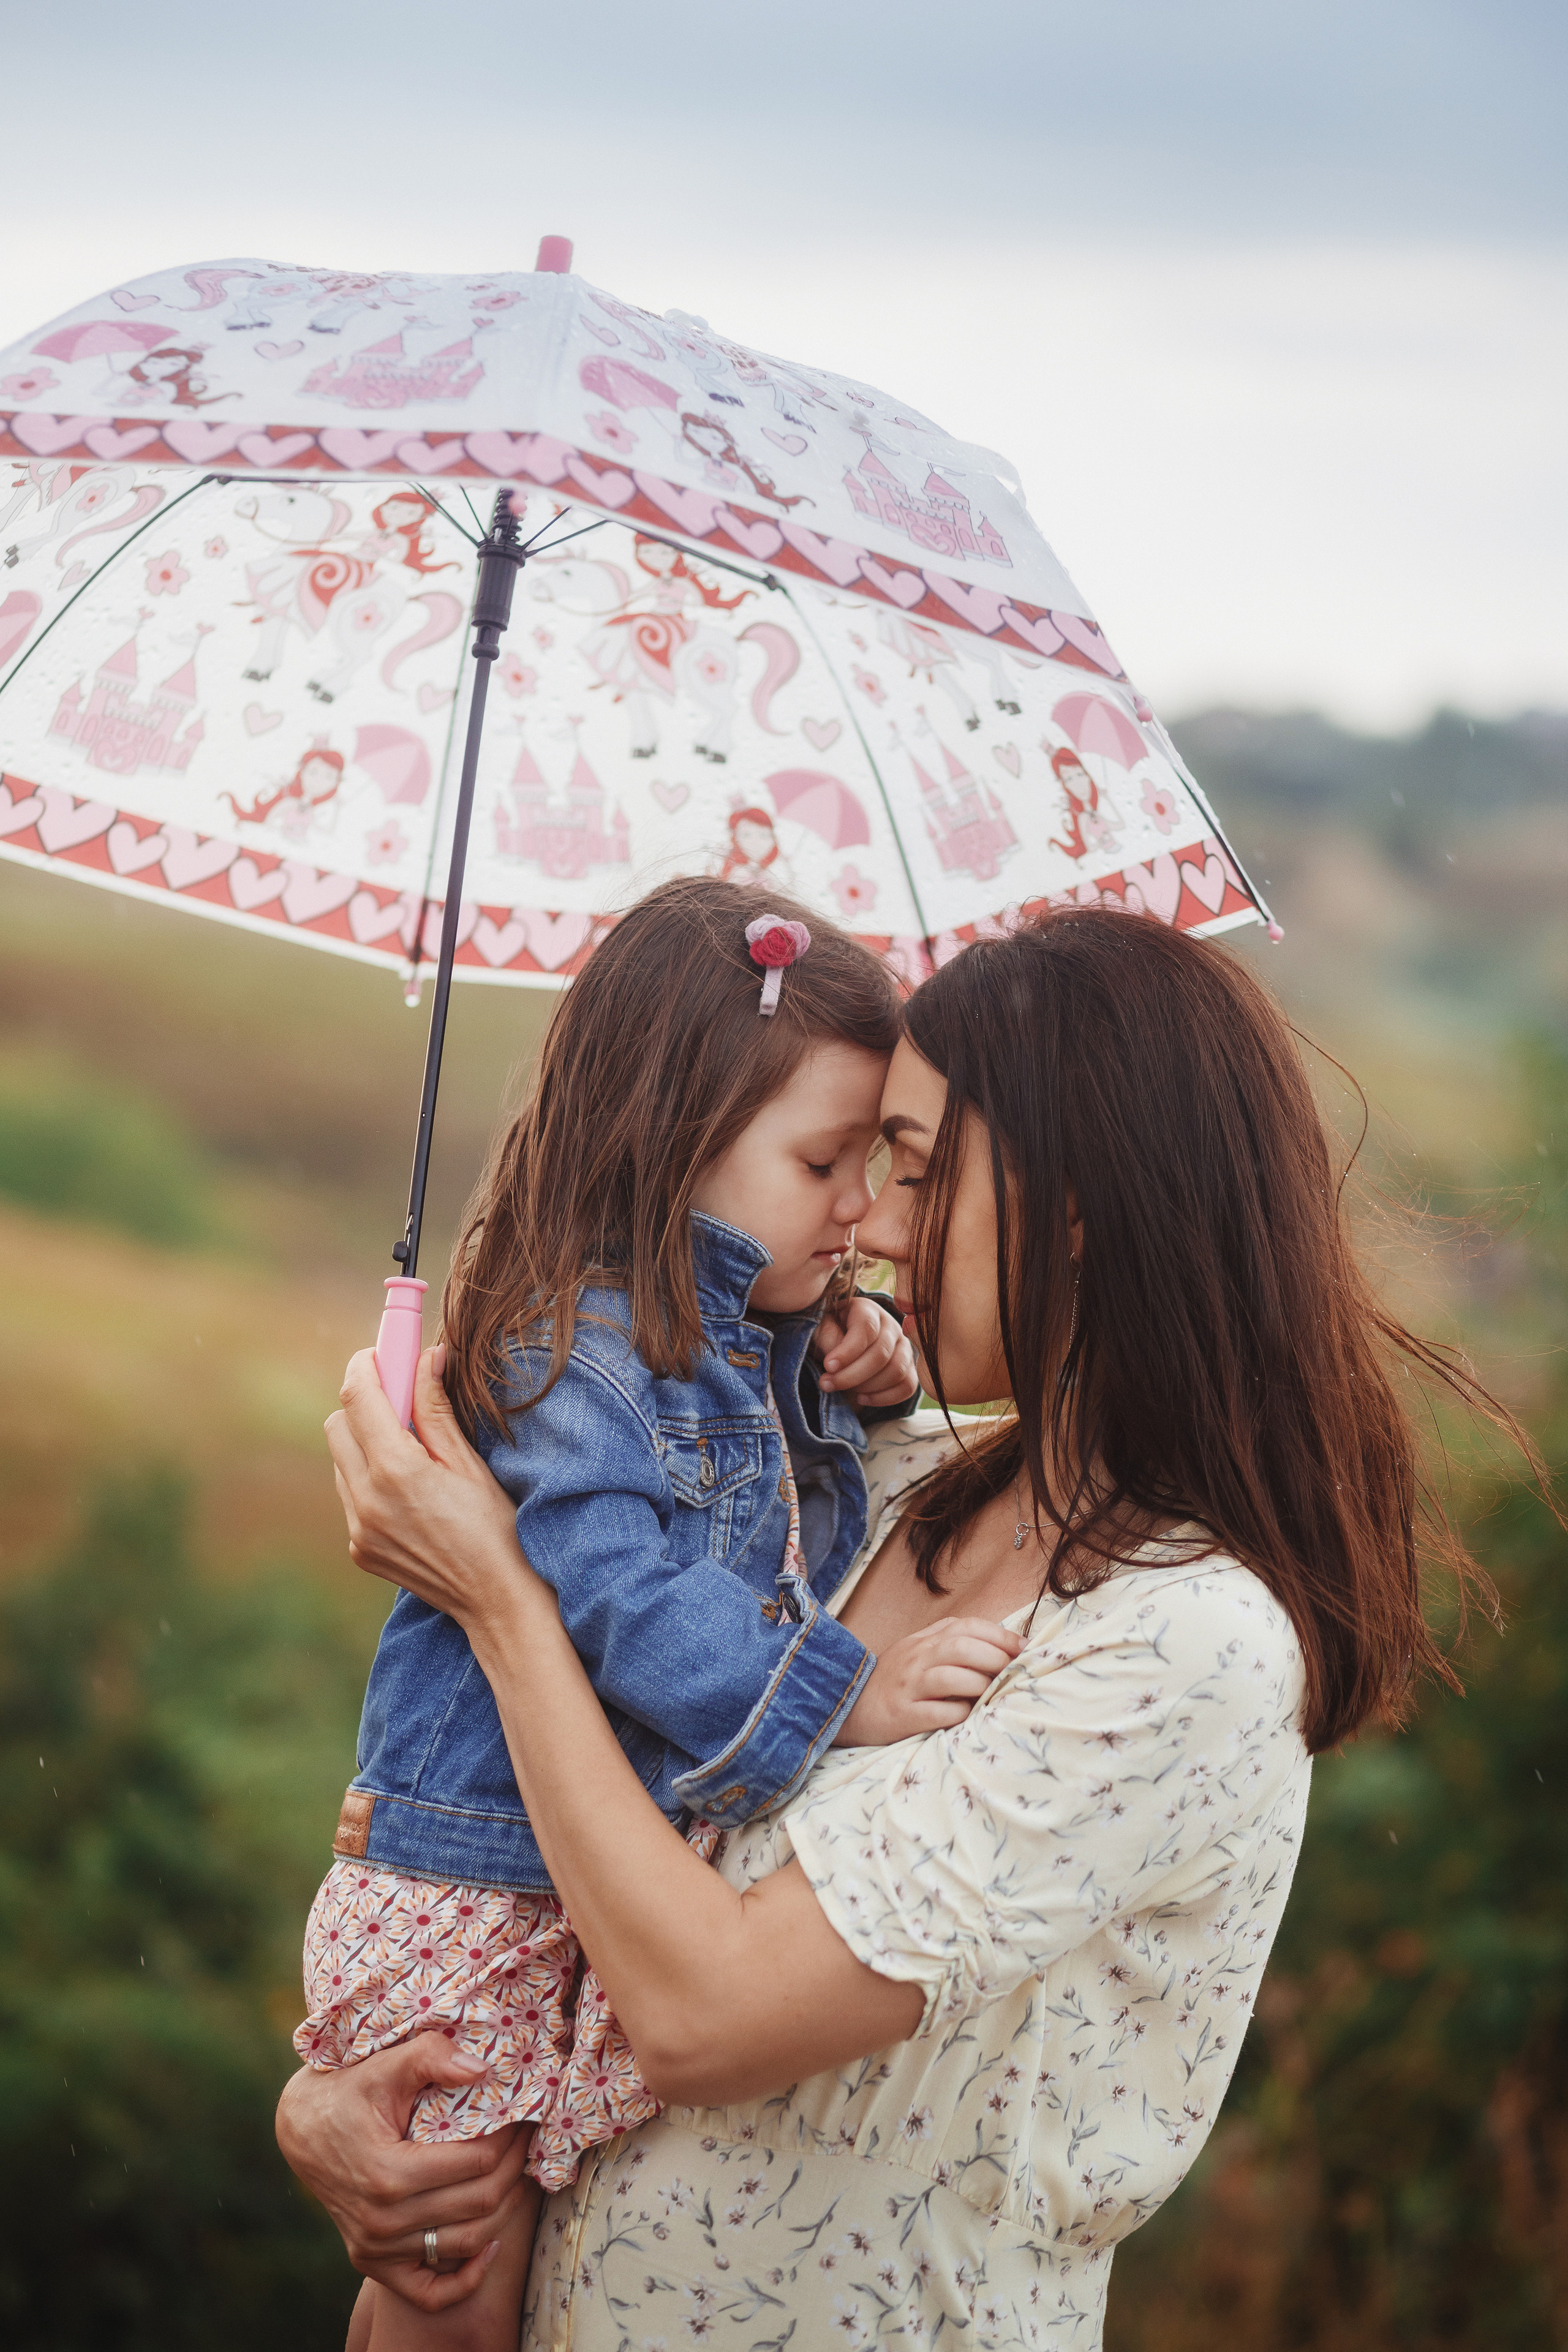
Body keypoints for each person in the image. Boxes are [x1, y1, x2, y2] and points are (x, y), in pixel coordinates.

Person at [283, 905, 1526, 2349]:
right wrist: (342, 2103)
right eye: (853, 1166)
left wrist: (500, 1601)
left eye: (917, 1169)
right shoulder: (871, 1489)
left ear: (1077, 1203)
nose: (870, 1222)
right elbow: (567, 1868)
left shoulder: (1180, 1644)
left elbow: (698, 2016)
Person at [295, 875, 1024, 2352]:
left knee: (496, 2254)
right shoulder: (570, 1357)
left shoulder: (751, 1336)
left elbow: (770, 1511)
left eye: (876, 1163)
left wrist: (858, 1369)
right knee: (453, 2263)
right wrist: (840, 1695)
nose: (863, 1209)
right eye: (823, 1161)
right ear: (673, 1138)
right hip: (476, 1889)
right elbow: (626, 1598)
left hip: (569, 1893)